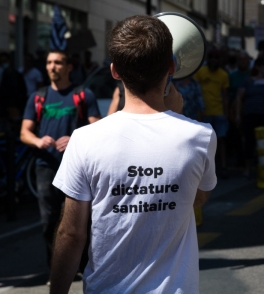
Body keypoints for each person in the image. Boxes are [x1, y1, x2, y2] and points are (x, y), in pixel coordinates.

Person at [48, 15, 216, 293]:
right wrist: (177, 117)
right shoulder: (200, 136)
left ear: (115, 71)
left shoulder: (84, 139)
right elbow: (195, 198)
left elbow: (71, 233)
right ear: (172, 67)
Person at [20, 50, 101, 269]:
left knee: (79, 220)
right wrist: (38, 141)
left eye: (57, 62)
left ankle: (82, 265)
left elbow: (98, 128)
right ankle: (56, 266)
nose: (52, 67)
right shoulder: (38, 96)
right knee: (49, 221)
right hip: (46, 166)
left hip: (76, 167)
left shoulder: (83, 95)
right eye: (49, 63)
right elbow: (25, 132)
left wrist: (74, 138)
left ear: (69, 67)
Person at [195, 49, 229, 176]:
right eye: (212, 57)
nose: (214, 60)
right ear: (208, 59)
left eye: (216, 58)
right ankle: (205, 169)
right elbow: (196, 92)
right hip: (205, 112)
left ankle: (223, 166)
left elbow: (225, 96)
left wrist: (226, 113)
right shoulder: (200, 72)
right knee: (205, 142)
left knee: (221, 140)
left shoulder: (223, 75)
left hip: (218, 111)